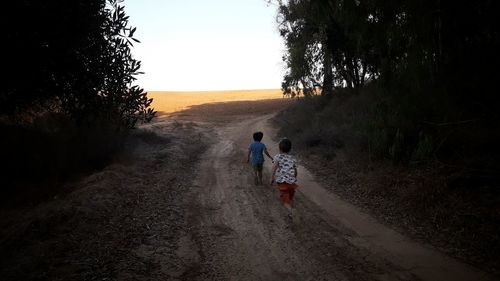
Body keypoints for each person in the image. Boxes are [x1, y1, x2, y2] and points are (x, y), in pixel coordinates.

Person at [270, 138, 298, 220]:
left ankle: (292, 211)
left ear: (279, 148)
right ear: (290, 149)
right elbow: (295, 171)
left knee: (285, 201)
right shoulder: (292, 158)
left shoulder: (278, 157)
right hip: (292, 183)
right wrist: (294, 178)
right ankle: (291, 214)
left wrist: (271, 178)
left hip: (283, 183)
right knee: (291, 198)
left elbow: (274, 168)